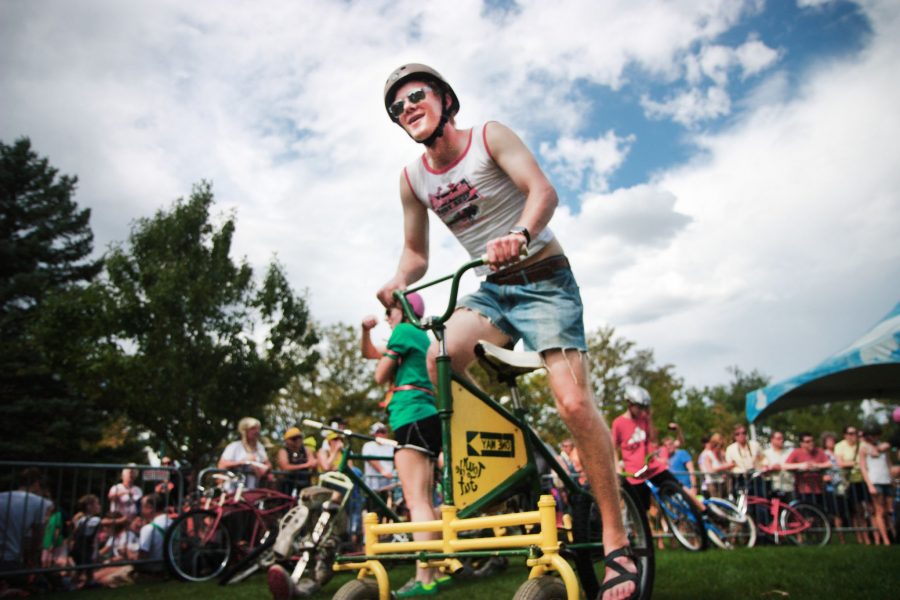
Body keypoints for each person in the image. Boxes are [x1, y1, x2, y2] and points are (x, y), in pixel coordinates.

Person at [376, 62, 639, 600]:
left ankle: (616, 537)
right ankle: (503, 459)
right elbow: (417, 254)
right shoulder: (413, 179)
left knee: (570, 401)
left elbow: (543, 191)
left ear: (445, 99)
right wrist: (397, 281)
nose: (407, 110)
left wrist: (520, 233)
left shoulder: (488, 137)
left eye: (416, 97)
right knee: (436, 358)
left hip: (543, 279)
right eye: (397, 108)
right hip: (491, 291)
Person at [362, 291, 442, 597]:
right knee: (425, 499)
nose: (386, 317)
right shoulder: (420, 336)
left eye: (390, 311)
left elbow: (380, 374)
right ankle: (432, 573)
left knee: (416, 501)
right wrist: (365, 332)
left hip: (412, 415)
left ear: (404, 311)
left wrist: (385, 360)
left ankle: (424, 578)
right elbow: (372, 353)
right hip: (426, 416)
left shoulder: (404, 332)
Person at [0, 468, 53, 588]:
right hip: (10, 561)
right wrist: (33, 563)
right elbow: (36, 538)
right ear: (37, 484)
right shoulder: (39, 503)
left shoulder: (2, 497)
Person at [834, 425, 870, 544]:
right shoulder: (840, 446)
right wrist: (855, 463)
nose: (853, 435)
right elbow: (840, 463)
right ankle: (860, 538)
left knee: (867, 510)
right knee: (855, 511)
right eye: (850, 433)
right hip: (849, 482)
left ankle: (869, 538)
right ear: (845, 435)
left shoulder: (862, 445)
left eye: (855, 433)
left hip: (865, 480)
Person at [859, 425, 893, 545]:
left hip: (887, 480)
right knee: (879, 511)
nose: (874, 437)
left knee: (889, 510)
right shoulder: (864, 448)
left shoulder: (884, 446)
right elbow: (862, 467)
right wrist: (869, 485)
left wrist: (892, 478)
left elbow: (888, 463)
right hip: (875, 481)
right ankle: (886, 540)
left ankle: (893, 535)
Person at [218, 416, 272, 489]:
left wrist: (264, 468)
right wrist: (242, 462)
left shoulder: (260, 447)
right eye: (253, 429)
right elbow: (222, 465)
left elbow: (268, 464)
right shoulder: (234, 446)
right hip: (233, 491)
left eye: (258, 428)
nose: (257, 431)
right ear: (244, 431)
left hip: (252, 491)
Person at [785, 432, 831, 510]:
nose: (811, 443)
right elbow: (785, 465)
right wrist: (801, 465)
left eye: (812, 441)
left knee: (820, 511)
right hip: (803, 490)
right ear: (801, 443)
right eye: (807, 442)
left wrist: (817, 465)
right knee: (806, 513)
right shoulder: (796, 452)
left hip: (819, 489)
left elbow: (829, 464)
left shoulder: (819, 451)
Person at [820, 431, 849, 543]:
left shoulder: (838, 453)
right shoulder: (823, 454)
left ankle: (841, 538)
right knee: (833, 513)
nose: (832, 442)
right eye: (829, 440)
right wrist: (823, 477)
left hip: (841, 486)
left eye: (833, 440)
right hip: (829, 487)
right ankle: (832, 537)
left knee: (840, 513)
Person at [135, 494, 171, 577]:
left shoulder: (149, 528)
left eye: (142, 506)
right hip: (170, 568)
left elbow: (142, 556)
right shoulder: (173, 523)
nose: (141, 510)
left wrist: (129, 555)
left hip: (151, 570)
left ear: (149, 508)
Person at [276, 426, 318, 497]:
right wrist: (306, 465)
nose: (297, 440)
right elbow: (285, 467)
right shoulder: (283, 451)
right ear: (287, 440)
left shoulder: (306, 450)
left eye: (299, 437)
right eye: (294, 438)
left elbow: (313, 463)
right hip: (287, 485)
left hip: (304, 484)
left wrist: (314, 465)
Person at [361, 422, 396, 503]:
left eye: (383, 432)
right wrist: (383, 472)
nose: (381, 434)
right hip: (373, 486)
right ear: (374, 434)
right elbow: (371, 459)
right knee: (374, 511)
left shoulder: (391, 446)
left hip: (389, 485)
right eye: (378, 432)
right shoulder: (368, 445)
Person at [697, 433, 733, 498]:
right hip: (712, 483)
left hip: (721, 482)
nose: (719, 447)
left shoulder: (721, 454)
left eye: (721, 445)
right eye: (717, 445)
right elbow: (710, 470)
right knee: (716, 504)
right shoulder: (706, 455)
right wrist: (725, 466)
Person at [762, 431, 794, 500]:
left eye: (782, 438)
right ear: (772, 440)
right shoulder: (766, 453)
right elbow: (763, 467)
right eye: (779, 438)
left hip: (789, 487)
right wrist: (771, 468)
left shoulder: (789, 452)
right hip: (774, 487)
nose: (781, 440)